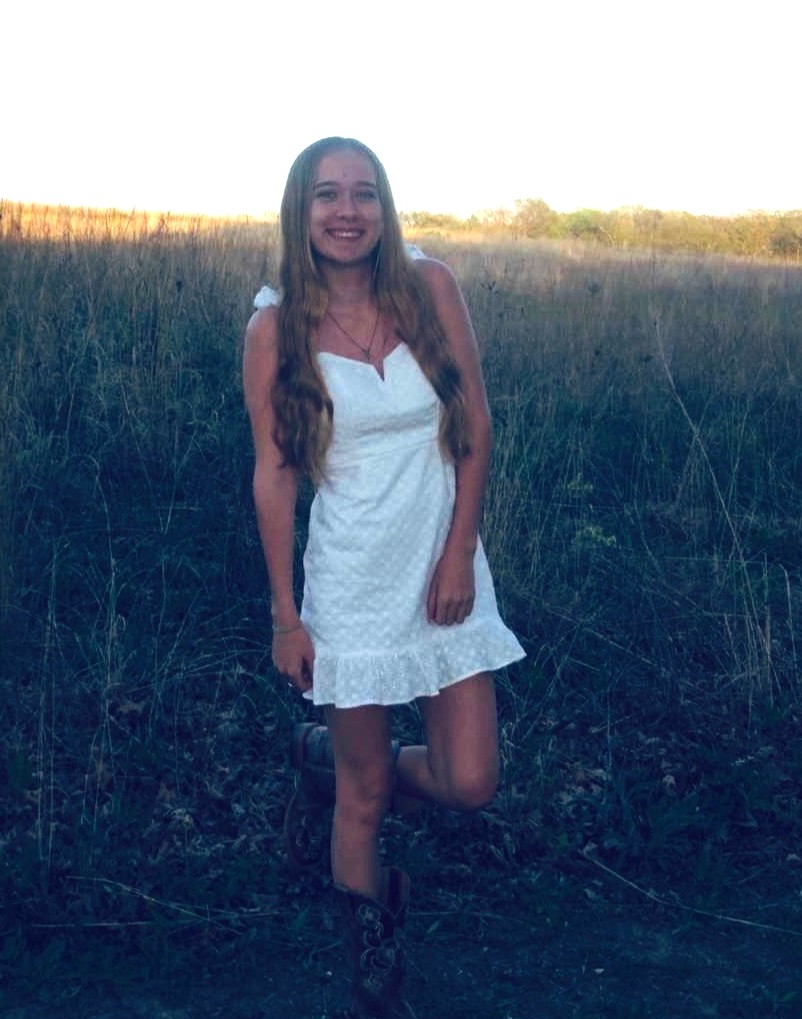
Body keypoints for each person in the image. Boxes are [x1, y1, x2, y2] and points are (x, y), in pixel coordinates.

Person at [242, 136, 525, 1017]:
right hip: (353, 578)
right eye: (327, 194)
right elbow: (275, 473)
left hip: (443, 568)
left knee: (470, 779)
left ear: (384, 205)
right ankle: (375, 972)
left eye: (364, 192)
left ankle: (316, 759)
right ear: (301, 210)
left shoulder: (428, 287)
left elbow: (473, 424)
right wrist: (287, 616)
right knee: (364, 795)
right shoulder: (274, 328)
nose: (347, 210)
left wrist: (457, 552)